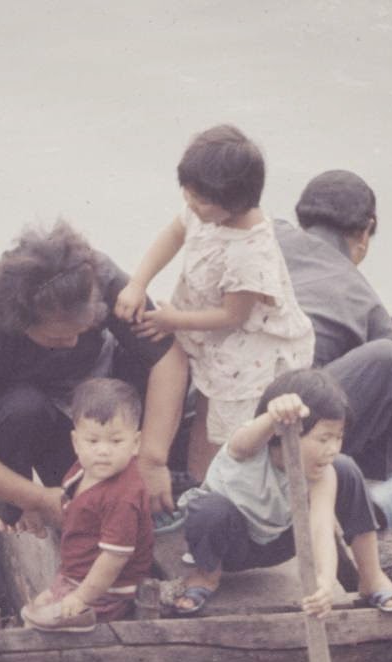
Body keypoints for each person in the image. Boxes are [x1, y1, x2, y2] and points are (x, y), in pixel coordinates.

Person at [0, 221, 186, 534]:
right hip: (9, 411)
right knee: (22, 408)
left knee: (147, 364)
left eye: (81, 330)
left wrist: (153, 460)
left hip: (80, 389)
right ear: (24, 324)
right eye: (58, 337)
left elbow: (168, 358)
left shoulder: (94, 276)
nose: (73, 343)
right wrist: (37, 498)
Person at [115, 124, 314, 481]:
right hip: (215, 343)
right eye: (187, 194)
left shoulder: (251, 250)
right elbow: (174, 233)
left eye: (200, 199)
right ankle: (199, 488)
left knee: (227, 433)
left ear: (235, 202)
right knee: (205, 419)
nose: (190, 204)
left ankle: (224, 490)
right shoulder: (204, 208)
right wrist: (137, 282)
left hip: (247, 354)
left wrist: (172, 320)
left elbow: (233, 315)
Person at [174, 368, 392, 616]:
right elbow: (248, 439)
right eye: (323, 439)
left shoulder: (322, 473)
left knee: (345, 468)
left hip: (282, 543)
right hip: (232, 546)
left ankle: (371, 577)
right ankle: (206, 576)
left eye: (337, 437)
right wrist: (273, 416)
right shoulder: (249, 446)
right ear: (284, 430)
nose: (332, 448)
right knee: (209, 510)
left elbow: (320, 529)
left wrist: (325, 582)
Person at [277, 170, 392, 506]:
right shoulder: (363, 297)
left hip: (232, 406)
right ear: (365, 232)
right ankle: (356, 484)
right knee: (388, 359)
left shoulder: (271, 234)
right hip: (289, 426)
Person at [19, 378, 154, 631]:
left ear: (136, 443)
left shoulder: (122, 496)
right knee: (33, 610)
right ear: (76, 442)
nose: (103, 451)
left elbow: (113, 558)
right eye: (93, 441)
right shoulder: (82, 470)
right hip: (75, 572)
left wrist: (81, 598)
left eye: (116, 441)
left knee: (40, 630)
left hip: (108, 590)